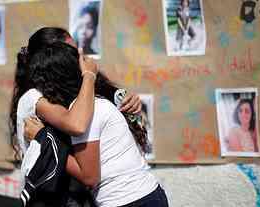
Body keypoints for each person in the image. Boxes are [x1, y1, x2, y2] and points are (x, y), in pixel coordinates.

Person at [8, 27, 143, 206]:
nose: (80, 57)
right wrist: (89, 76)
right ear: (50, 58)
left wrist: (128, 101)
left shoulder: (70, 92)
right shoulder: (33, 97)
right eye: (72, 51)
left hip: (82, 194)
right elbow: (76, 124)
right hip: (49, 195)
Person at [24, 42, 168, 207]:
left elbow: (89, 177)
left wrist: (44, 140)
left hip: (129, 201)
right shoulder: (91, 103)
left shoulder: (85, 110)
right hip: (144, 196)